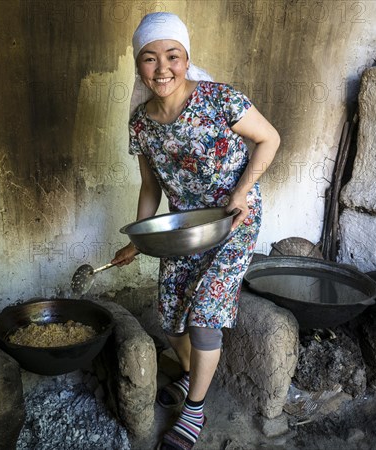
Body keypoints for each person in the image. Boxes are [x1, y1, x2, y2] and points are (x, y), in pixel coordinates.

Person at [111, 12, 281, 450]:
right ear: (138, 66)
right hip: (184, 229)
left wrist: (242, 192)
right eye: (149, 59)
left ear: (186, 59)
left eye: (172, 56)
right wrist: (137, 240)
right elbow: (150, 187)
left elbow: (270, 139)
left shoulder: (220, 99)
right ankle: (191, 376)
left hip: (233, 220)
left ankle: (194, 410)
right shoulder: (141, 124)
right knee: (171, 319)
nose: (162, 68)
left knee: (205, 314)